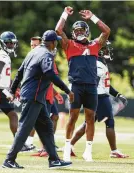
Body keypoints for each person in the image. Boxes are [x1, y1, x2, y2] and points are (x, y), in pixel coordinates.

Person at [2, 30, 74, 169]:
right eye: (56, 42)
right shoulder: (46, 54)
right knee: (24, 127)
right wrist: (67, 90)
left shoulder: (33, 52)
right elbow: (49, 73)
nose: (56, 44)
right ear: (53, 43)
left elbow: (19, 73)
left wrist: (12, 91)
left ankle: (54, 160)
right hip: (34, 96)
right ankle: (9, 160)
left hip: (35, 97)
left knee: (47, 126)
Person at [55, 6, 110, 161]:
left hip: (92, 86)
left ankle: (88, 151)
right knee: (72, 117)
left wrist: (93, 17)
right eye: (76, 30)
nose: (79, 32)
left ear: (86, 32)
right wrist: (65, 13)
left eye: (81, 30)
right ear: (73, 32)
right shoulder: (69, 45)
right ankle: (67, 148)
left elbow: (106, 31)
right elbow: (58, 30)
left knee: (90, 118)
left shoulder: (95, 45)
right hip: (76, 86)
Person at [70, 41, 129, 159]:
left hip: (99, 96)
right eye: (106, 48)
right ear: (100, 50)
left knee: (88, 123)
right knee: (109, 123)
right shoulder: (97, 63)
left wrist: (117, 94)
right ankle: (114, 150)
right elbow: (93, 82)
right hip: (100, 98)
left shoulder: (100, 62)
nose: (108, 51)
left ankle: (70, 145)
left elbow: (105, 84)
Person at [21, 36, 64, 154]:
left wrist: (55, 93)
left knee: (53, 117)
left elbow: (49, 79)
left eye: (35, 45)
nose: (33, 47)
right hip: (40, 94)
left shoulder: (46, 56)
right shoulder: (36, 57)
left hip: (48, 93)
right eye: (32, 45)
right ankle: (39, 146)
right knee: (39, 122)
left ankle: (48, 147)